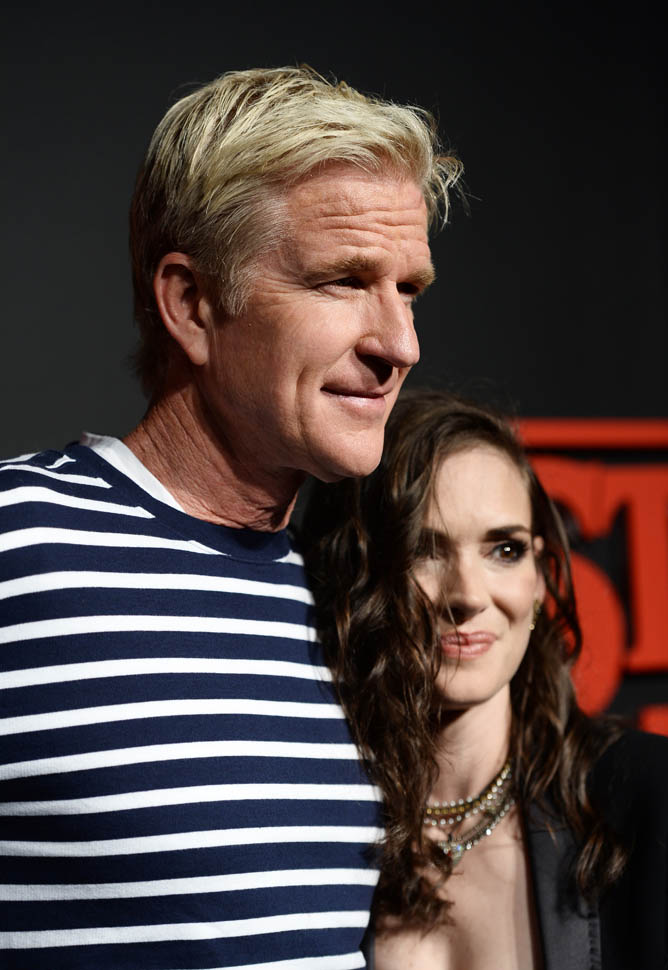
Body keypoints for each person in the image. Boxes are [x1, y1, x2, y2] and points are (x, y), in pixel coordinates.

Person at [0, 69, 462, 968]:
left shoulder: (353, 598)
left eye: (409, 289)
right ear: (191, 304)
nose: (399, 344)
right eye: (343, 281)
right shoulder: (17, 545)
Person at [302, 389, 668, 970]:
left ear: (539, 577)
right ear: (361, 574)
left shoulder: (647, 797)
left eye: (504, 549)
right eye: (424, 549)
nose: (468, 596)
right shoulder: (305, 814)